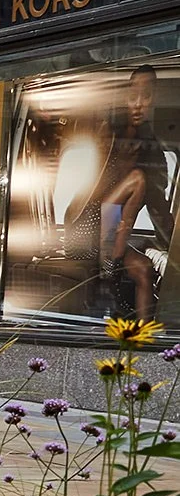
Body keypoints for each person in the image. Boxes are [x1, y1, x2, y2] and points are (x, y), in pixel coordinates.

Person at [84, 67, 169, 320]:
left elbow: (158, 209)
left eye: (147, 95)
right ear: (124, 97)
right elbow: (90, 188)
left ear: (155, 99)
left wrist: (171, 244)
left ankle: (141, 339)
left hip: (116, 238)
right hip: (89, 227)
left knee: (143, 269)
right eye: (133, 95)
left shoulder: (154, 153)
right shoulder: (108, 134)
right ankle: (108, 271)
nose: (138, 104)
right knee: (137, 179)